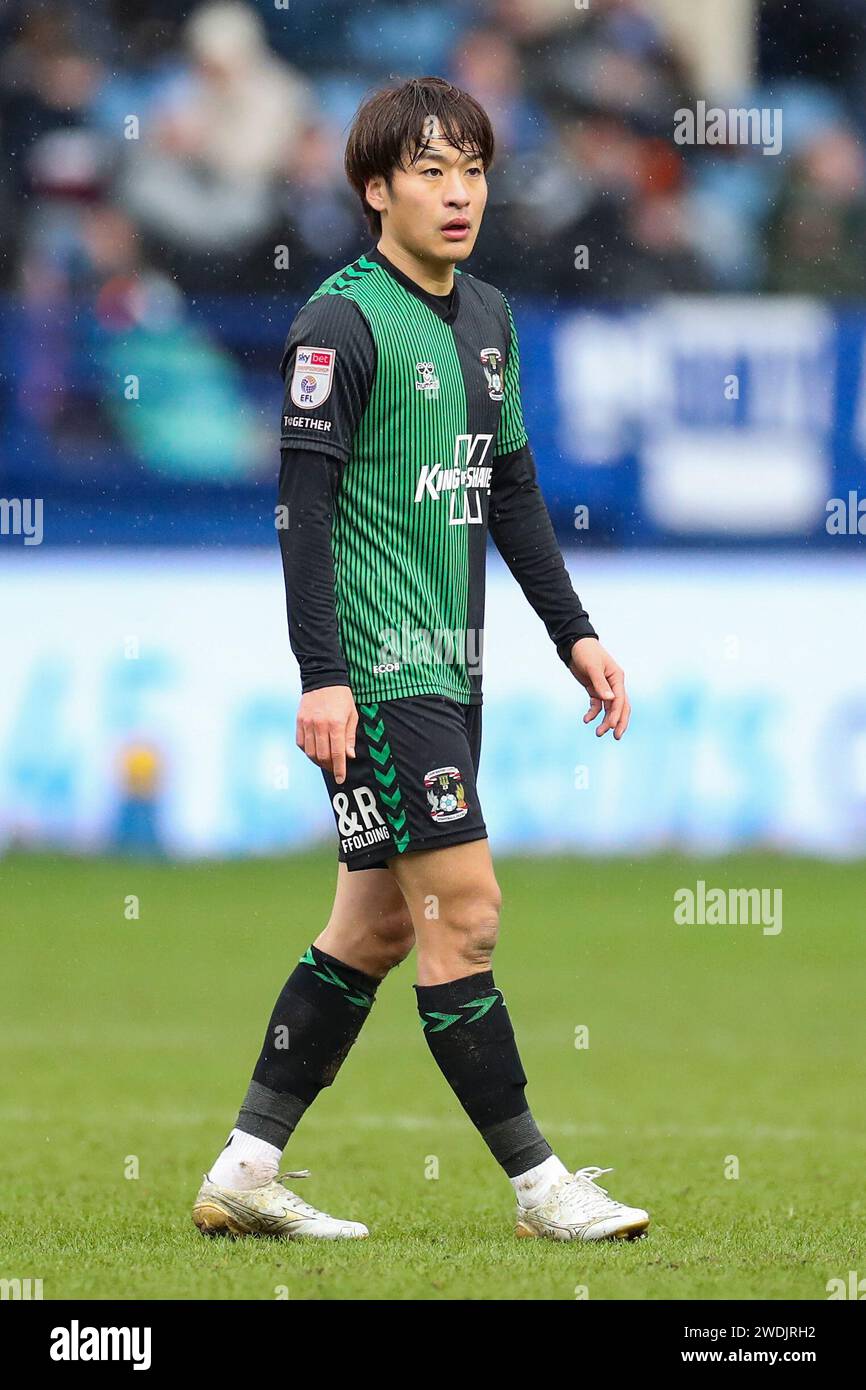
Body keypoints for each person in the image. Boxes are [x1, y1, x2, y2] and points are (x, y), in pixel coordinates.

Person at [193, 76, 649, 1243]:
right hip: (380, 677)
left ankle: (246, 1166)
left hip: (454, 672)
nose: (457, 194)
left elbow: (512, 495)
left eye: (473, 171)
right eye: (430, 172)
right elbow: (300, 514)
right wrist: (320, 674)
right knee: (468, 912)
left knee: (374, 929)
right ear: (374, 189)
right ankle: (540, 1185)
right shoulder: (337, 325)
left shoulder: (488, 319)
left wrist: (574, 632)